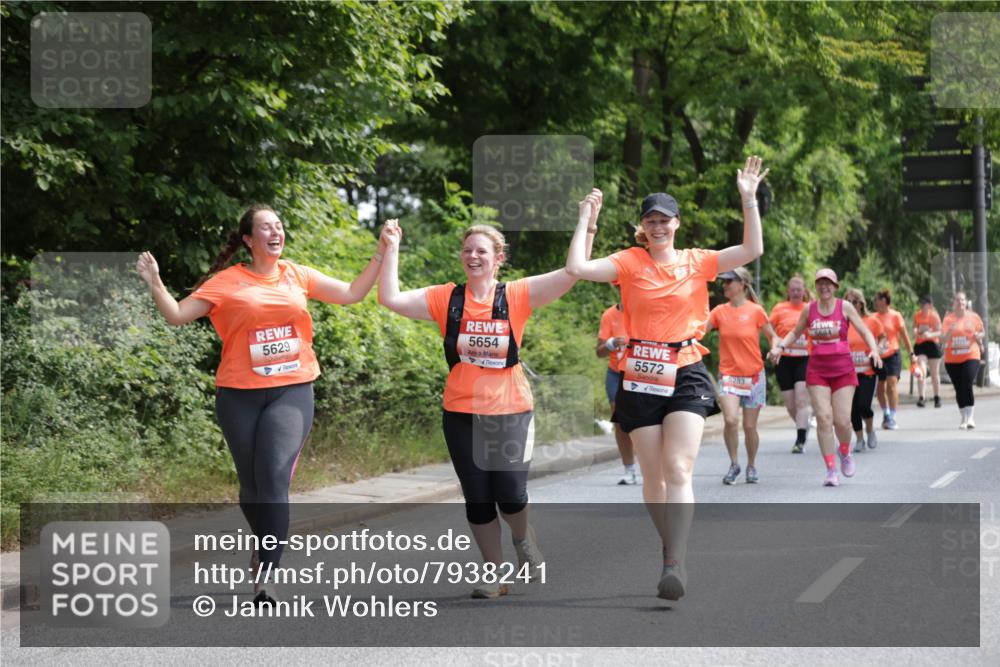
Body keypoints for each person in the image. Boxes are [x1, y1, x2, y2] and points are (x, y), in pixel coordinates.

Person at [136, 204, 391, 604]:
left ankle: (267, 574)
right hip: (238, 394)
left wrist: (382, 250)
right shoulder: (227, 282)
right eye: (266, 227)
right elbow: (178, 315)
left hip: (292, 388)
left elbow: (353, 293)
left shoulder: (297, 274)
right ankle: (264, 543)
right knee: (251, 487)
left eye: (279, 225)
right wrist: (155, 283)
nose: (275, 232)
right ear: (249, 240)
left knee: (273, 477)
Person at [377, 193, 599, 599]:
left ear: (499, 258)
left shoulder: (516, 295)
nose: (472, 256)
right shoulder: (448, 297)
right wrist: (390, 249)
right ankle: (494, 572)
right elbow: (389, 298)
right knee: (478, 499)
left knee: (510, 495)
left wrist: (586, 221)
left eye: (481, 251)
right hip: (460, 411)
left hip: (510, 409)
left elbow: (572, 272)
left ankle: (522, 539)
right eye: (467, 250)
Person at [566, 155, 768, 601]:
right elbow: (577, 269)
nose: (658, 226)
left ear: (677, 224)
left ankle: (674, 562)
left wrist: (748, 200)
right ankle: (671, 547)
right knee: (654, 479)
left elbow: (751, 251)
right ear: (643, 226)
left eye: (665, 220)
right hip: (639, 374)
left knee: (679, 468)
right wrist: (586, 219)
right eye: (650, 220)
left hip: (686, 369)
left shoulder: (698, 261)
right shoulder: (628, 262)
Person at [768, 269, 882, 487]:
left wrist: (874, 350)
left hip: (843, 371)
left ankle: (845, 452)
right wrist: (780, 347)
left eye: (828, 283)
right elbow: (795, 332)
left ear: (835, 286)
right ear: (816, 286)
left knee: (842, 420)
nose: (824, 286)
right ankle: (830, 469)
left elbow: (866, 331)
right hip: (817, 370)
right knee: (823, 418)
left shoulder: (844, 307)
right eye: (820, 283)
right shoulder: (809, 309)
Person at [704, 266, 777, 485]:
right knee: (730, 419)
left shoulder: (755, 311)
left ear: (742, 285)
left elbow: (773, 336)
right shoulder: (719, 312)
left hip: (754, 376)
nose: (725, 285)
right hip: (728, 376)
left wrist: (775, 348)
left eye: (729, 282)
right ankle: (734, 463)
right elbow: (699, 332)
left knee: (749, 427)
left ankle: (751, 465)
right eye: (724, 282)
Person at [597, 290, 638, 485]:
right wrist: (611, 344)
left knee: (643, 423)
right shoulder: (609, 315)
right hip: (616, 374)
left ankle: (650, 464)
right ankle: (629, 469)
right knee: (620, 422)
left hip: (640, 374)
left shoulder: (643, 312)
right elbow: (599, 352)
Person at [769, 276, 812, 453]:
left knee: (801, 399)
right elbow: (770, 331)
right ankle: (803, 425)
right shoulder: (779, 309)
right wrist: (774, 348)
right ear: (788, 291)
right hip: (784, 358)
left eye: (798, 289)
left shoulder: (810, 308)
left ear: (804, 291)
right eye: (792, 289)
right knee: (790, 403)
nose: (795, 293)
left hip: (805, 357)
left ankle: (800, 440)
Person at [844, 288, 886, 452]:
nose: (851, 305)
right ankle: (859, 439)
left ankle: (869, 430)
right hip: (847, 372)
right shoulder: (842, 322)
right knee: (852, 408)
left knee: (864, 405)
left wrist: (879, 348)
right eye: (848, 302)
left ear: (861, 304)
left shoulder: (871, 320)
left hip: (867, 372)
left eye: (854, 302)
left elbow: (882, 337)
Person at [941, 292, 986, 429]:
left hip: (971, 355)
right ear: (953, 303)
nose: (960, 302)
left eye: (962, 300)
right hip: (952, 359)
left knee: (967, 382)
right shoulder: (948, 319)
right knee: (958, 388)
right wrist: (949, 332)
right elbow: (942, 339)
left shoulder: (974, 317)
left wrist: (979, 336)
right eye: (957, 300)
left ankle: (970, 417)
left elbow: (982, 331)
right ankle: (963, 417)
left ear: (966, 302)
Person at [873, 288, 914, 430]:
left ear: (884, 301)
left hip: (893, 354)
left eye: (876, 299)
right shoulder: (873, 317)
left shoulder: (895, 316)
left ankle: (893, 416)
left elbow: (904, 336)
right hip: (878, 356)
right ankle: (885, 412)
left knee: (891, 385)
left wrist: (911, 354)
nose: (874, 302)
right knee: (879, 388)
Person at [913, 295, 943, 408]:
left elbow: (940, 332)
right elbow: (914, 328)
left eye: (924, 303)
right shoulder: (917, 315)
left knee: (935, 373)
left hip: (933, 344)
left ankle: (937, 397)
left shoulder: (934, 316)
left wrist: (930, 334)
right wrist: (917, 331)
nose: (922, 305)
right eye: (921, 303)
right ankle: (921, 397)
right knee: (921, 370)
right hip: (921, 345)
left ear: (930, 305)